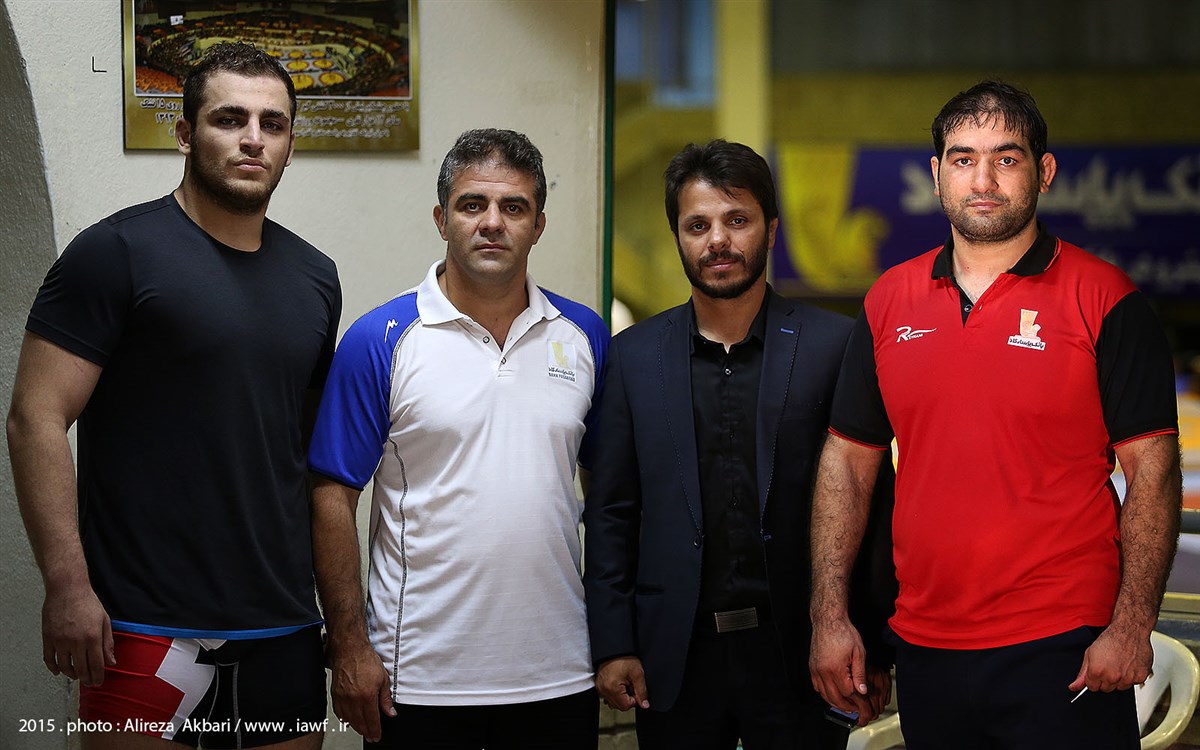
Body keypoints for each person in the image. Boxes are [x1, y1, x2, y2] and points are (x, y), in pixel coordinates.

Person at [808, 80, 1182, 749]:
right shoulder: (888, 300)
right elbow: (848, 464)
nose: (982, 180)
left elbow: (1152, 472)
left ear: (1044, 171)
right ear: (936, 175)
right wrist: (829, 616)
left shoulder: (1106, 299)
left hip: (1066, 645)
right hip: (926, 644)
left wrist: (1131, 627)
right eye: (963, 159)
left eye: (1006, 158)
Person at [6, 42, 340, 749]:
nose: (253, 138)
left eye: (273, 124)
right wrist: (67, 587)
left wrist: (343, 620)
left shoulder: (316, 277)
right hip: (142, 625)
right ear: (186, 134)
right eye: (230, 119)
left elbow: (306, 457)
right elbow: (35, 417)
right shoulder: (115, 253)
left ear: (290, 142)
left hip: (283, 624)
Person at [583, 139, 896, 749]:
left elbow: (870, 499)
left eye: (737, 220)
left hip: (802, 650)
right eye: (697, 225)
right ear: (678, 236)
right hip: (674, 654)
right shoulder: (633, 357)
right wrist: (613, 642)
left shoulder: (835, 346)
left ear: (771, 230)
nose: (718, 241)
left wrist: (873, 644)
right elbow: (612, 510)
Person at [308, 128, 609, 749]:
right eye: (473, 205)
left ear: (539, 224)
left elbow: (611, 497)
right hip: (417, 679)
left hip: (560, 672)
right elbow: (332, 496)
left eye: (513, 207)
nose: (492, 222)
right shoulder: (381, 338)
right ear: (442, 219)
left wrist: (618, 638)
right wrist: (350, 646)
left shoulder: (584, 335)